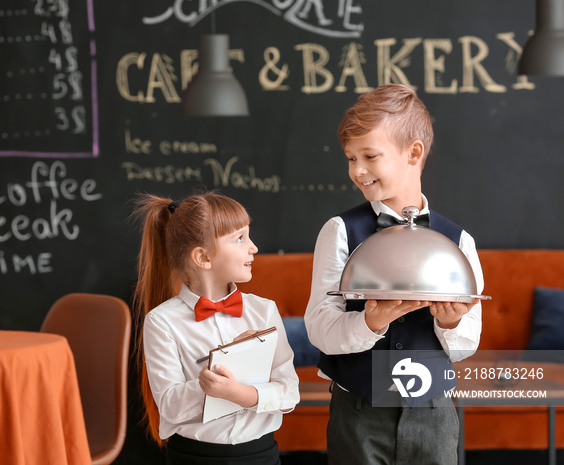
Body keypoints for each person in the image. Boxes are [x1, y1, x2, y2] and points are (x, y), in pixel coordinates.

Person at [304, 84, 483, 465]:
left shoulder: (457, 242)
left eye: (370, 156)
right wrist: (369, 322)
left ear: (413, 152)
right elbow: (319, 327)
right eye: (351, 158)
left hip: (434, 416)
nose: (357, 170)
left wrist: (451, 326)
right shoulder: (339, 231)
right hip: (357, 414)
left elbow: (467, 347)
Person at [132, 191, 299, 465]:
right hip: (194, 457)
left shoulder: (263, 310)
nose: (253, 247)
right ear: (203, 258)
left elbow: (289, 393)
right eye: (240, 238)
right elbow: (170, 406)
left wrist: (237, 393)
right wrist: (207, 382)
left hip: (260, 456)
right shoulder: (161, 322)